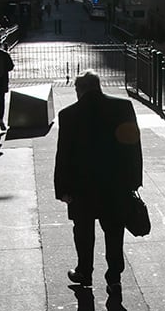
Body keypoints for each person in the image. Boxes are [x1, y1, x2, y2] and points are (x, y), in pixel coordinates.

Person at [54, 70, 143, 291]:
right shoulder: (123, 108)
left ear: (79, 89)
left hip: (82, 188)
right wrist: (134, 181)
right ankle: (114, 278)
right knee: (114, 232)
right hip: (116, 186)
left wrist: (62, 189)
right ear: (98, 85)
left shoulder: (69, 114)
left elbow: (63, 155)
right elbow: (134, 147)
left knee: (83, 232)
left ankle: (84, 272)